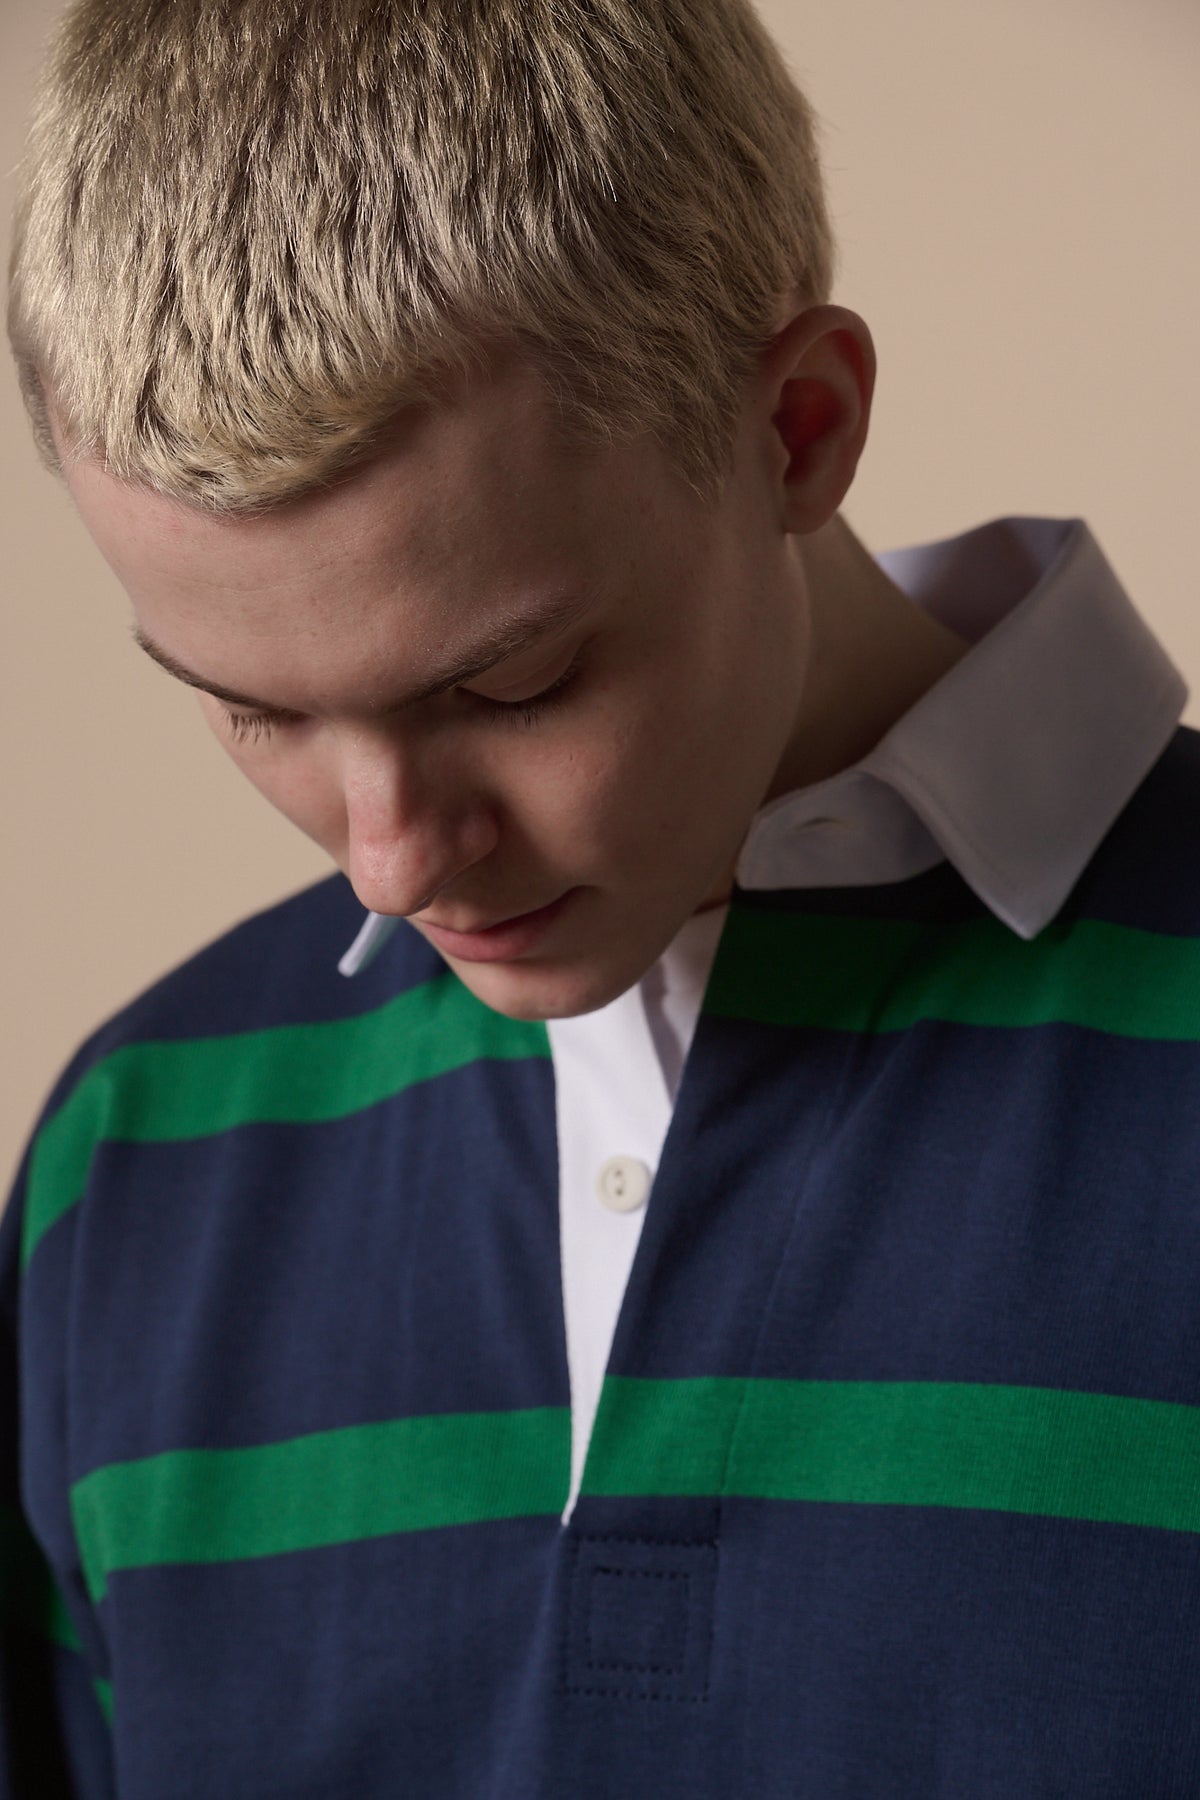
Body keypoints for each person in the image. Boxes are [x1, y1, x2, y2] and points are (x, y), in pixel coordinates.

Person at [4, 0, 1198, 1793]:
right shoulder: (140, 1153)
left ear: (799, 429)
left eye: (503, 688)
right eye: (251, 707)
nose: (389, 863)